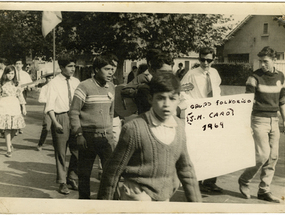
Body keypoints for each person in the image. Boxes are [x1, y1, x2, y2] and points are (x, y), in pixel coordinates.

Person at [97, 73, 202, 202]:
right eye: (160, 98)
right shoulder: (134, 129)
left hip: (164, 197)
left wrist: (197, 204)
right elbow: (112, 171)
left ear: (179, 99)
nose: (166, 104)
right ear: (150, 99)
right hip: (136, 197)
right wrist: (104, 206)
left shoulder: (179, 127)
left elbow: (186, 170)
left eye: (172, 98)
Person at [238, 46, 285, 203]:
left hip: (274, 120)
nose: (262, 65)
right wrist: (246, 124)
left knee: (273, 157)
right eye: (260, 61)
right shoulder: (254, 77)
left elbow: (282, 101)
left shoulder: (281, 76)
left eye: (265, 61)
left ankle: (264, 190)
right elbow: (246, 102)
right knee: (262, 155)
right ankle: (244, 181)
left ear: (274, 60)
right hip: (258, 120)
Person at [69, 53, 118, 199]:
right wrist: (79, 135)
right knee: (84, 175)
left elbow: (111, 112)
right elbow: (73, 113)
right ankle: (85, 204)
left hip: (106, 138)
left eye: (112, 69)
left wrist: (110, 133)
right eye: (107, 69)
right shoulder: (84, 86)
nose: (111, 72)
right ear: (96, 70)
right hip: (87, 138)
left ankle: (109, 204)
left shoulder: (111, 87)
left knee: (110, 173)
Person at [179, 47, 223, 193]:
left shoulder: (215, 74)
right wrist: (195, 104)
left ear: (213, 59)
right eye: (203, 60)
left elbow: (217, 91)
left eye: (209, 60)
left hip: (213, 116)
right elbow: (182, 93)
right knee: (197, 150)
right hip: (198, 116)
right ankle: (196, 182)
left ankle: (210, 182)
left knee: (214, 149)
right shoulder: (191, 75)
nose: (205, 63)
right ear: (199, 59)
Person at [45, 55, 80, 195]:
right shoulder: (54, 83)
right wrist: (55, 122)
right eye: (70, 66)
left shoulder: (77, 81)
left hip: (75, 117)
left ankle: (72, 177)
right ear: (61, 67)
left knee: (78, 150)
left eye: (74, 66)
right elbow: (50, 106)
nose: (73, 69)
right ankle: (62, 182)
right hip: (61, 117)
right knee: (60, 152)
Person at [121, 49, 174, 114]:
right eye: (163, 72)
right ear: (152, 69)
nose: (167, 76)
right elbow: (124, 90)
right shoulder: (143, 82)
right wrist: (138, 92)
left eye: (170, 73)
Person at [0, 66, 26, 157]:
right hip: (4, 106)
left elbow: (20, 95)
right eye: (8, 73)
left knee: (14, 129)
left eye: (12, 73)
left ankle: (9, 142)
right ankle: (8, 149)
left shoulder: (16, 84)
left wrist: (23, 107)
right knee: (7, 128)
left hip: (15, 106)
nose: (10, 75)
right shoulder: (1, 83)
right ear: (5, 73)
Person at [36, 73, 54, 151]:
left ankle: (56, 145)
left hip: (58, 109)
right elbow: (40, 99)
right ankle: (40, 144)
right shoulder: (44, 88)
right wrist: (49, 99)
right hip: (48, 110)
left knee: (57, 128)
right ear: (46, 79)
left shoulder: (58, 87)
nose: (51, 80)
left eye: (52, 78)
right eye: (49, 78)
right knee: (46, 127)